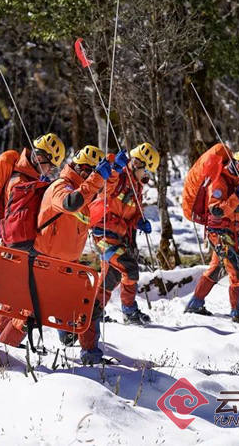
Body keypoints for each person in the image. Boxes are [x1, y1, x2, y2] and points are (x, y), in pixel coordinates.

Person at [0, 145, 119, 347]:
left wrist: (113, 174)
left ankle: (90, 353)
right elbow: (71, 203)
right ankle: (5, 349)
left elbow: (103, 195)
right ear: (80, 168)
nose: (91, 176)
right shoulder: (61, 186)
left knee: (85, 305)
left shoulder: (86, 191)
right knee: (30, 314)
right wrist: (96, 178)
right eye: (89, 171)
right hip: (46, 262)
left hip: (68, 264)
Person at [79, 143, 159, 365]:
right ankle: (127, 310)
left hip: (119, 235)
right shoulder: (120, 176)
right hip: (103, 232)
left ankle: (89, 316)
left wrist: (139, 222)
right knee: (129, 268)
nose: (146, 175)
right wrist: (115, 169)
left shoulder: (137, 187)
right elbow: (105, 187)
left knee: (111, 276)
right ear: (138, 163)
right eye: (146, 169)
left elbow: (132, 213)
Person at [184, 145, 239, 323]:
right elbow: (217, 210)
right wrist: (237, 196)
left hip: (233, 232)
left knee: (216, 269)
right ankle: (237, 313)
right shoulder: (219, 180)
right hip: (219, 232)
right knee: (238, 270)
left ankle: (195, 304)